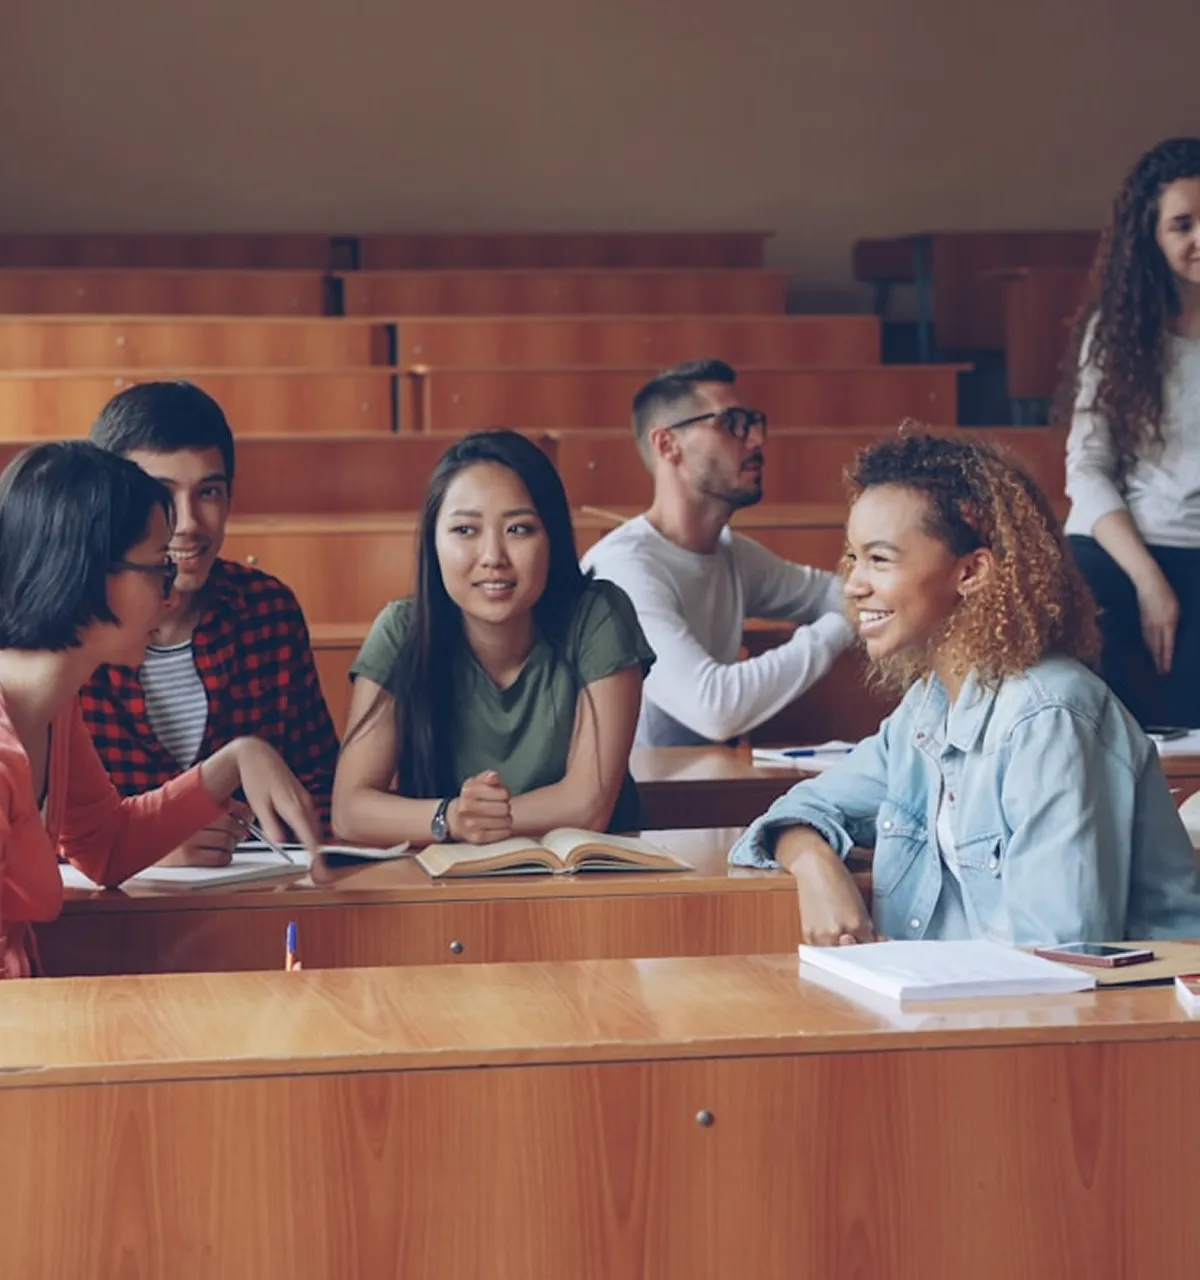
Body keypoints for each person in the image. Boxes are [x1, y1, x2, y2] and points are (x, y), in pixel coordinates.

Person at [730, 432, 1200, 947]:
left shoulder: (1048, 716)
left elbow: (1063, 956)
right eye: (853, 558)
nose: (853, 585)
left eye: (880, 560)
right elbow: (800, 808)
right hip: (973, 1005)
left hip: (1102, 1017)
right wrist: (813, 862)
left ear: (972, 571)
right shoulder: (928, 709)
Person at [0, 441, 319, 978]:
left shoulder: (53, 706)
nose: (170, 598)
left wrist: (232, 761)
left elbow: (105, 846)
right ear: (87, 575)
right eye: (158, 572)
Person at [332, 429, 654, 846]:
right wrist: (451, 816)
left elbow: (587, 805)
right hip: (448, 885)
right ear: (433, 542)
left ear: (552, 539)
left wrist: (472, 821)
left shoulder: (598, 617)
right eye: (465, 530)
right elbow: (350, 810)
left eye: (519, 529)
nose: (492, 558)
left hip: (588, 883)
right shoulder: (402, 629)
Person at [82, 381, 340, 859]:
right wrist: (148, 843)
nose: (188, 522)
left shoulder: (268, 610)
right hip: (104, 913)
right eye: (161, 493)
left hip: (255, 894)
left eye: (209, 492)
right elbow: (28, 830)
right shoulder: (68, 627)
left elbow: (321, 786)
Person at [580, 358, 854, 747]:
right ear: (667, 444)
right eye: (732, 423)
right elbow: (714, 709)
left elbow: (837, 593)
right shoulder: (622, 570)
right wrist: (847, 624)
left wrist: (865, 606)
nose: (756, 440)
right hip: (637, 799)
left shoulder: (732, 554)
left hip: (701, 787)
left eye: (755, 423)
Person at [1059, 136, 1200, 727]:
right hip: (1128, 546)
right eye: (1183, 225)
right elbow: (1087, 469)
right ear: (1152, 238)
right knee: (1079, 595)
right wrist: (1150, 581)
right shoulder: (1117, 333)